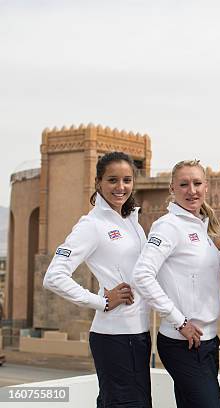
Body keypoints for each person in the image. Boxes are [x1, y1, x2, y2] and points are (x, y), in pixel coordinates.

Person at [43, 151, 151, 408]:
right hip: (114, 336)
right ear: (98, 182)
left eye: (127, 180)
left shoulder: (132, 222)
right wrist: (101, 301)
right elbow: (54, 276)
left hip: (138, 333)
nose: (120, 187)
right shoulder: (90, 225)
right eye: (112, 180)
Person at [132, 160, 220, 408]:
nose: (191, 190)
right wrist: (180, 321)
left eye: (197, 183)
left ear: (206, 187)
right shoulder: (168, 226)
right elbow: (142, 275)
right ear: (172, 189)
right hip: (182, 342)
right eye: (184, 184)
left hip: (207, 341)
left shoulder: (199, 227)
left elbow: (211, 270)